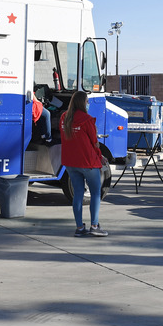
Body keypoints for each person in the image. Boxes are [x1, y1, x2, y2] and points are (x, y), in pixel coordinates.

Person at [60, 91, 108, 237]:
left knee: (78, 194)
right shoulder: (87, 120)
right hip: (87, 163)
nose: (88, 104)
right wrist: (100, 157)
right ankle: (94, 225)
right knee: (95, 192)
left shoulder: (64, 118)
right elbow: (95, 143)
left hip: (70, 162)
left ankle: (79, 228)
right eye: (87, 101)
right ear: (82, 103)